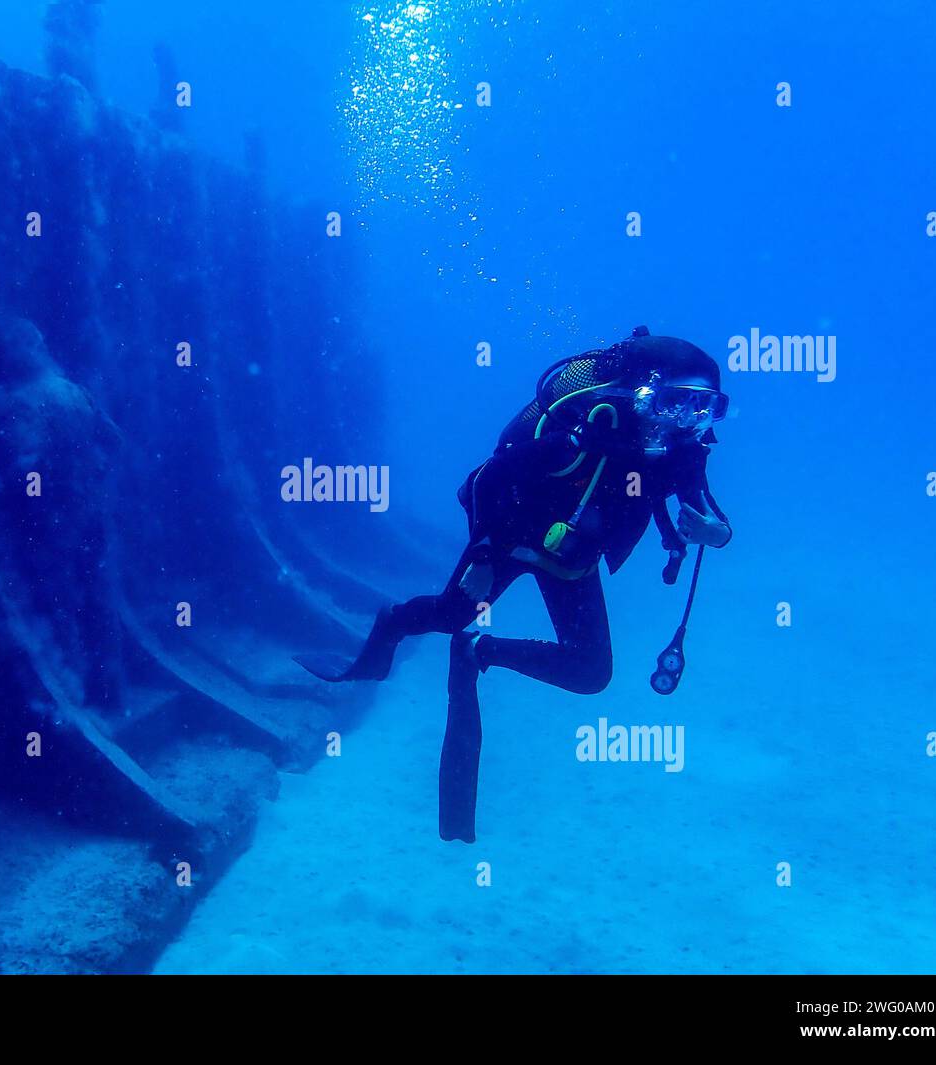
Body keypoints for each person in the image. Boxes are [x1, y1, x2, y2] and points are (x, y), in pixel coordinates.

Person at [296, 327, 733, 842]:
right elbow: (490, 478)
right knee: (449, 613)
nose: (687, 419)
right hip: (508, 537)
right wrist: (483, 550)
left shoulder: (682, 449)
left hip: (572, 558)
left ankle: (480, 651)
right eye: (676, 402)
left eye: (704, 406)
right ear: (643, 393)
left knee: (591, 672)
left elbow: (714, 518)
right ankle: (391, 625)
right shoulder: (590, 430)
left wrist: (714, 533)